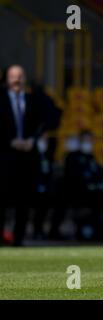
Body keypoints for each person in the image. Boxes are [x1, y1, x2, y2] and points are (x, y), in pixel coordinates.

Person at [0, 65, 45, 246]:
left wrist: (31, 141)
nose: (16, 80)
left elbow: (42, 123)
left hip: (27, 158)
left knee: (24, 201)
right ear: (7, 79)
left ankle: (19, 239)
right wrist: (9, 141)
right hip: (4, 158)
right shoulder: (0, 100)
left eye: (19, 76)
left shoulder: (33, 100)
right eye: (13, 76)